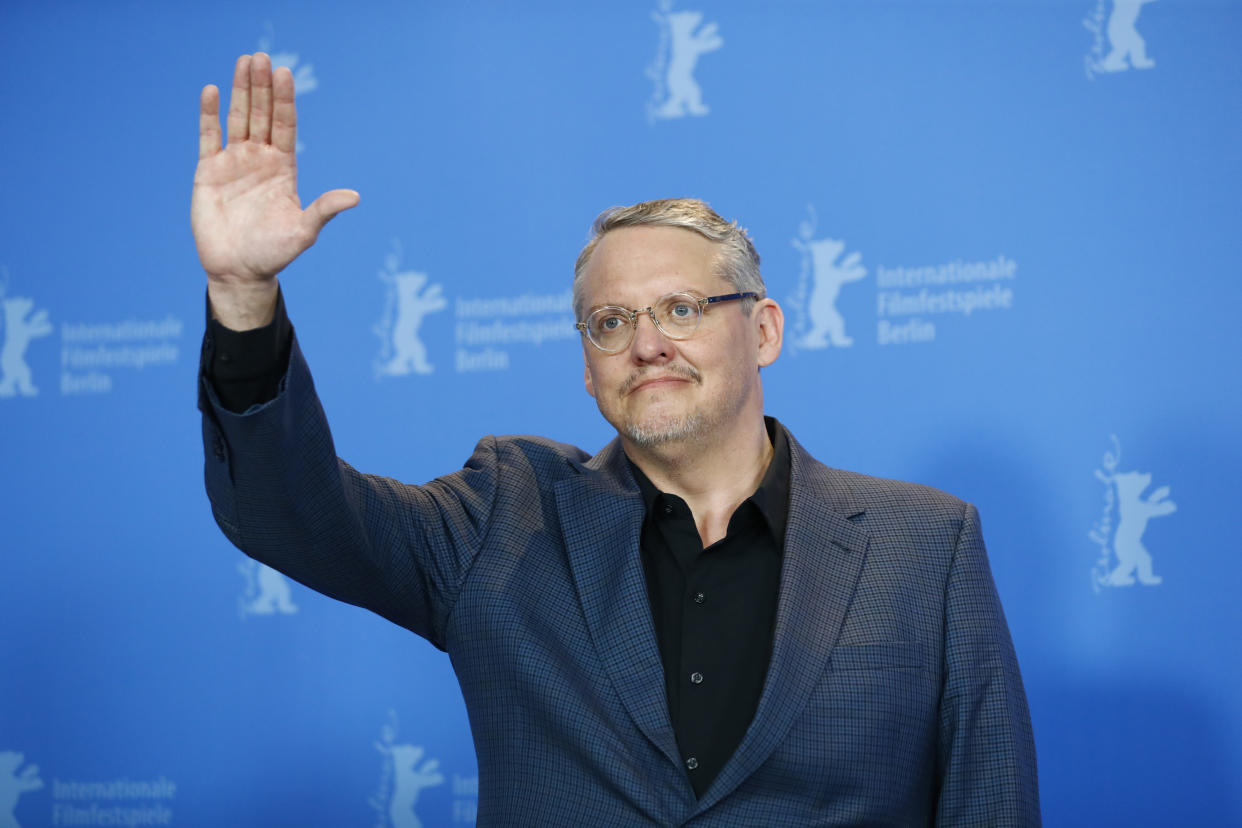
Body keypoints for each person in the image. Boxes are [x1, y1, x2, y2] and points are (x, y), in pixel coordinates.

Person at [194, 53, 1040, 826]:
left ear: (766, 331)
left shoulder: (924, 546)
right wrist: (241, 299)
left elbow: (991, 805)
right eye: (610, 322)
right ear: (588, 369)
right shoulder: (503, 516)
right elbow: (290, 512)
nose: (647, 343)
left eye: (681, 309)